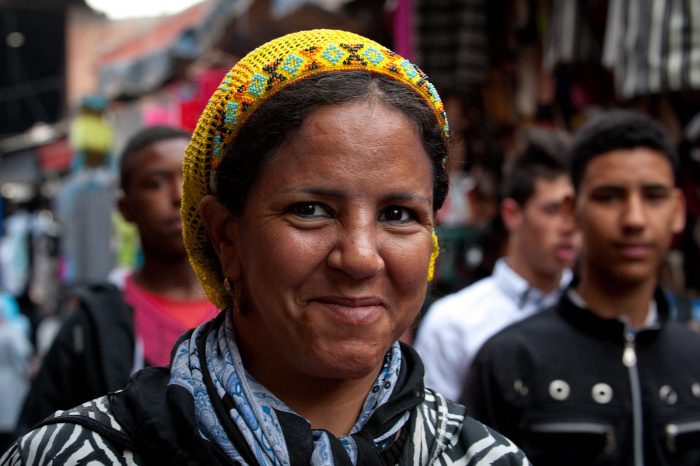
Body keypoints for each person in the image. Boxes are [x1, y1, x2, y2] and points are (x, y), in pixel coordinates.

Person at [2, 29, 530, 465]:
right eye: (311, 210)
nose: (362, 257)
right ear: (226, 237)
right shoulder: (76, 456)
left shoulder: (483, 459)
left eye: (398, 215)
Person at [462, 109, 700, 465]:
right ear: (573, 211)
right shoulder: (510, 362)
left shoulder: (694, 358)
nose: (634, 219)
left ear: (678, 210)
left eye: (652, 196)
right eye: (609, 197)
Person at [15, 125, 217, 434]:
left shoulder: (247, 305)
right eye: (155, 183)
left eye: (189, 177)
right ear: (125, 208)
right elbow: (36, 434)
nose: (178, 195)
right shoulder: (93, 322)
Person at [414, 127, 579, 401]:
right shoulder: (455, 324)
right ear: (512, 214)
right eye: (552, 210)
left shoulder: (598, 315)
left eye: (576, 210)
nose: (569, 226)